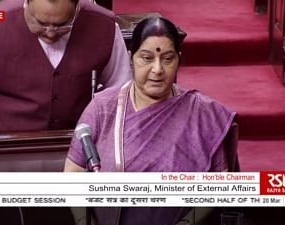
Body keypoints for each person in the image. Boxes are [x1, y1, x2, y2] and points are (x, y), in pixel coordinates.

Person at [64, 16, 237, 225]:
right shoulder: (104, 107)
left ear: (178, 60)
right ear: (131, 58)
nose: (157, 69)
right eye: (147, 58)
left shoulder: (203, 114)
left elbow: (220, 183)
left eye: (167, 59)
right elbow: (73, 173)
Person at [0, 0, 131, 134]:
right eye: (40, 23)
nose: (50, 33)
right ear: (26, 4)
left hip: (75, 148)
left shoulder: (104, 25)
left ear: (78, 8)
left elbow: (121, 92)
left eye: (62, 25)